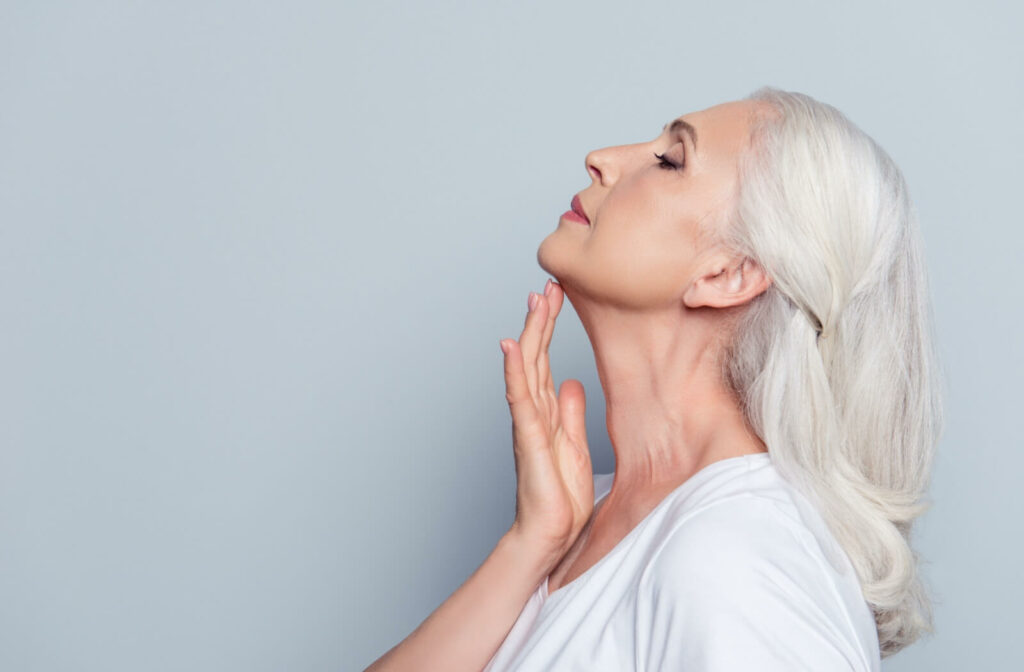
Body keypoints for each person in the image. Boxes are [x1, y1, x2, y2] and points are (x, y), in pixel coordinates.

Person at [365, 86, 944, 671]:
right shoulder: (582, 516)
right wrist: (528, 547)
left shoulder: (740, 557)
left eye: (671, 160)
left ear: (730, 273)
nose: (602, 158)